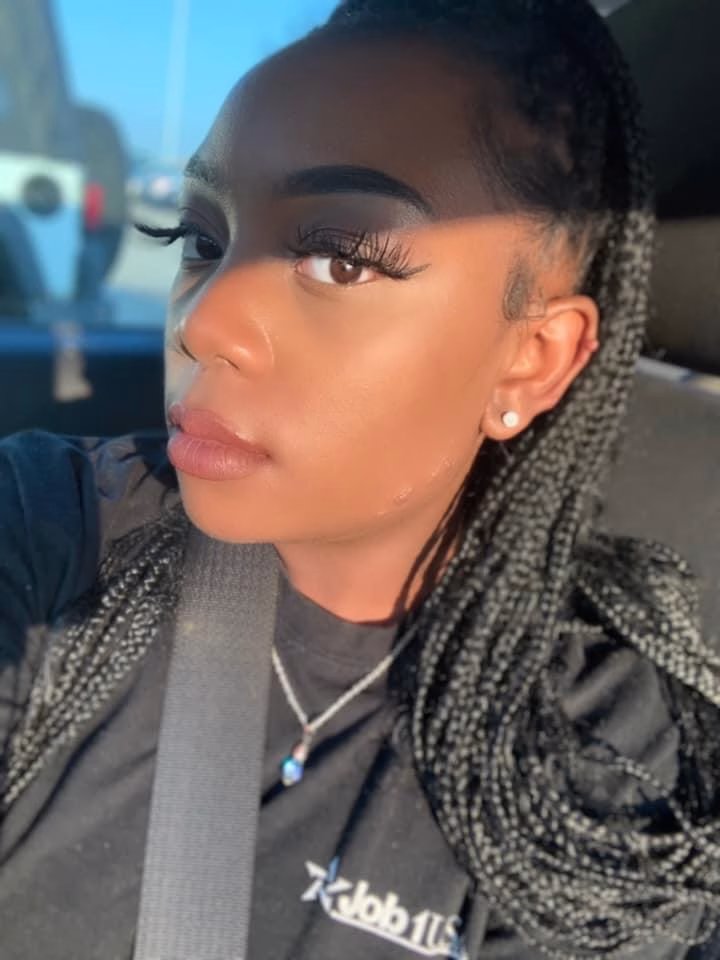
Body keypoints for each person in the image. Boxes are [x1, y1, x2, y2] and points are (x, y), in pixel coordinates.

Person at [1, 0, 719, 957]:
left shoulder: (604, 753)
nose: (203, 324)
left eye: (341, 260)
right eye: (202, 240)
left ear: (532, 361)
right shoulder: (51, 530)